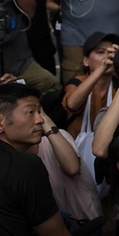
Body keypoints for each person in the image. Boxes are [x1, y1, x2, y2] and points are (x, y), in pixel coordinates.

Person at [0, 83, 71, 236]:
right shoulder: (26, 166)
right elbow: (55, 233)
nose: (40, 120)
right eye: (30, 112)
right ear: (1, 121)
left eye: (39, 112)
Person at [62, 32, 119, 139]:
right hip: (77, 150)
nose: (108, 56)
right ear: (86, 61)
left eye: (111, 52)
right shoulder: (77, 82)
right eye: (101, 52)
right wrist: (102, 69)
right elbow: (72, 104)